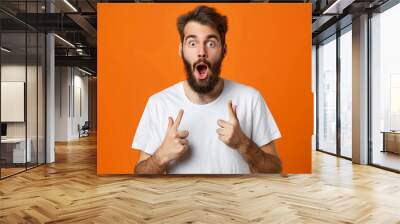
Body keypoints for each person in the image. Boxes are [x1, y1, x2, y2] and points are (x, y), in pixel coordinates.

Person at [132, 5, 282, 174]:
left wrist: (243, 144)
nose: (201, 52)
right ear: (181, 50)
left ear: (224, 50)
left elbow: (275, 169)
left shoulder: (250, 98)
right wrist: (161, 156)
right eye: (192, 43)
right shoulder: (158, 103)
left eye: (211, 43)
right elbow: (140, 174)